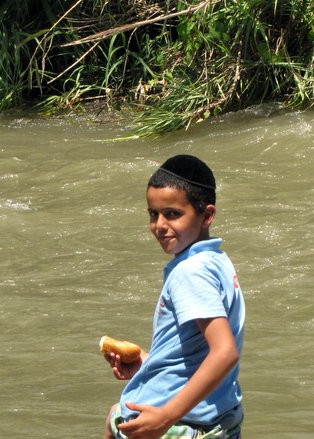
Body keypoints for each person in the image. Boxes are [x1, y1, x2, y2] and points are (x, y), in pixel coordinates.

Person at [104, 154, 245, 439]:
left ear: (207, 215)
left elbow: (224, 352)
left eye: (173, 214)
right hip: (220, 418)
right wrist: (148, 362)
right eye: (153, 214)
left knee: (116, 420)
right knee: (113, 416)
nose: (159, 225)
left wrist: (167, 416)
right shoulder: (216, 260)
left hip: (182, 425)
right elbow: (199, 350)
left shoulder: (189, 272)